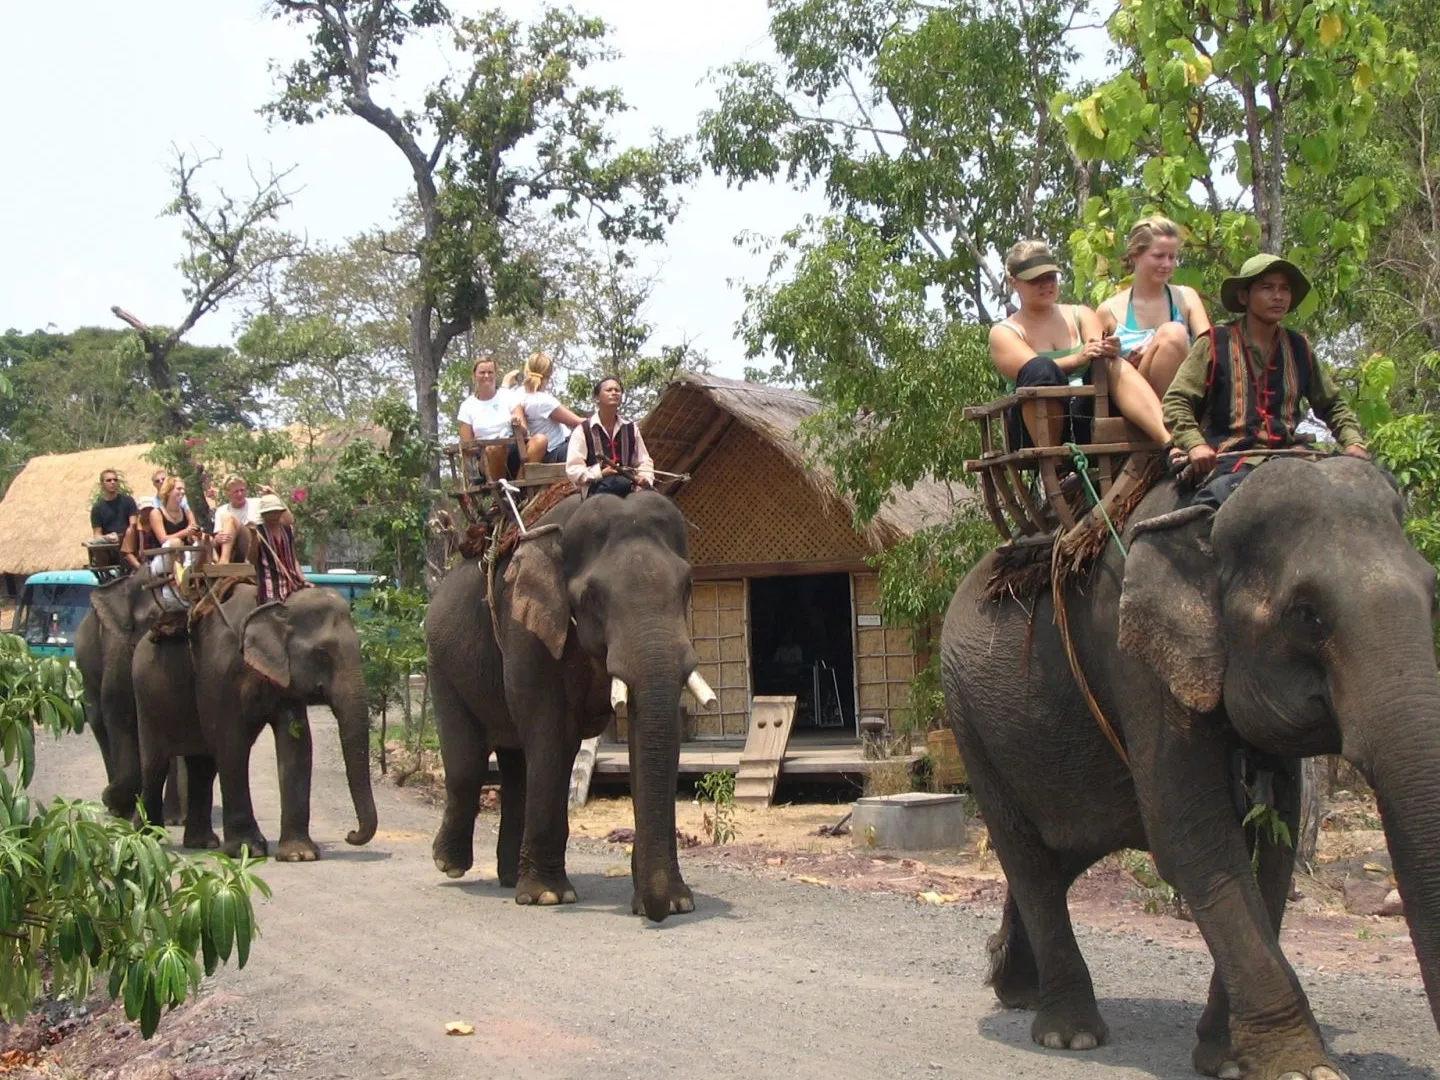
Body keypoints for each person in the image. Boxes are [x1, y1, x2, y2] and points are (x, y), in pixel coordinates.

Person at [1162, 253, 1369, 507]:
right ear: (1243, 296)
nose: (1278, 296)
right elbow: (1177, 400)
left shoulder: (1299, 347)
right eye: (1267, 288)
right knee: (1213, 505)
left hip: (1291, 455)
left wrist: (1353, 441)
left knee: (1372, 488)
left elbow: (1332, 404)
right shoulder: (1214, 343)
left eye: (1284, 289)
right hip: (1229, 458)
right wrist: (1195, 445)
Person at [988, 240, 1172, 451]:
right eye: (1035, 280)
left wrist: (1108, 349)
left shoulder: (1081, 314)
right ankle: (1053, 460)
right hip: (1034, 428)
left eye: (1050, 277)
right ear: (1014, 282)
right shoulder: (1004, 332)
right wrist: (1079, 358)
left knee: (1110, 363)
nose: (1046, 284)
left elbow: (1096, 351)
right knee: (1040, 368)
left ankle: (1169, 440)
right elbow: (1033, 371)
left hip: (1089, 416)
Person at [1099, 215, 1211, 396]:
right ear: (1135, 255)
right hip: (1135, 399)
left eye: (1172, 257)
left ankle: (1172, 417)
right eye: (1158, 256)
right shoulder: (1109, 311)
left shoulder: (1186, 298)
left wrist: (1160, 351)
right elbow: (1096, 370)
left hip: (1184, 394)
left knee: (1173, 334)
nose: (1166, 264)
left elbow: (1209, 352)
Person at [565, 376, 656, 497]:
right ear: (597, 398)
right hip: (597, 487)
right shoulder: (583, 430)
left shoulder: (631, 428)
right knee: (620, 484)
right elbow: (573, 469)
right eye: (609, 390)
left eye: (617, 390)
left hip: (629, 485)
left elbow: (644, 460)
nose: (614, 393)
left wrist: (645, 477)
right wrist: (600, 473)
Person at [511, 352, 585, 466]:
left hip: (546, 447)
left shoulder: (519, 393)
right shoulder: (543, 401)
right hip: (554, 449)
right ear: (549, 374)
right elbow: (577, 422)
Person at [457, 355, 521, 482]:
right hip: (484, 457)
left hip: (513, 450)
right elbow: (467, 446)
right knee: (495, 448)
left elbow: (523, 429)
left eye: (490, 372)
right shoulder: (467, 406)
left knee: (540, 440)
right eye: (482, 372)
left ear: (495, 374)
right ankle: (501, 492)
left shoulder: (508, 396)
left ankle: (518, 487)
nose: (486, 376)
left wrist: (517, 423)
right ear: (474, 375)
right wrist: (486, 448)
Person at [213, 475, 290, 562]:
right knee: (226, 518)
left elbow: (289, 520)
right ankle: (223, 560)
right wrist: (217, 539)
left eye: (242, 490)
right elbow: (218, 536)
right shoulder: (221, 510)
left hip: (256, 545)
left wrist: (274, 495)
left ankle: (224, 561)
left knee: (230, 518)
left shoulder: (257, 503)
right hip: (235, 548)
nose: (240, 494)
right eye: (236, 491)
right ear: (228, 493)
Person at [147, 476, 200, 604]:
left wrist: (196, 534)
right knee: (175, 542)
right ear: (169, 490)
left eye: (183, 490)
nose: (182, 492)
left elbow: (192, 536)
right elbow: (163, 539)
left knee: (205, 540)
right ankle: (179, 582)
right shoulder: (156, 513)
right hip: (163, 556)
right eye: (179, 489)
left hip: (184, 554)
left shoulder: (187, 513)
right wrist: (185, 532)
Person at [253, 493, 308, 604]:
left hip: (293, 583)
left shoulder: (288, 531)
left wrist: (303, 579)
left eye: (276, 512)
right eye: (270, 513)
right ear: (263, 514)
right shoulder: (258, 533)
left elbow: (293, 558)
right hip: (271, 588)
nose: (273, 516)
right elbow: (252, 560)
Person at [90, 470, 140, 569]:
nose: (112, 482)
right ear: (102, 484)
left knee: (127, 536)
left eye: (115, 480)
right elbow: (97, 533)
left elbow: (133, 524)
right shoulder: (97, 508)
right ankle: (107, 572)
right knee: (97, 543)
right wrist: (107, 538)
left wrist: (123, 537)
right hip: (109, 544)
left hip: (127, 540)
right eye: (108, 480)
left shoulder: (128, 501)